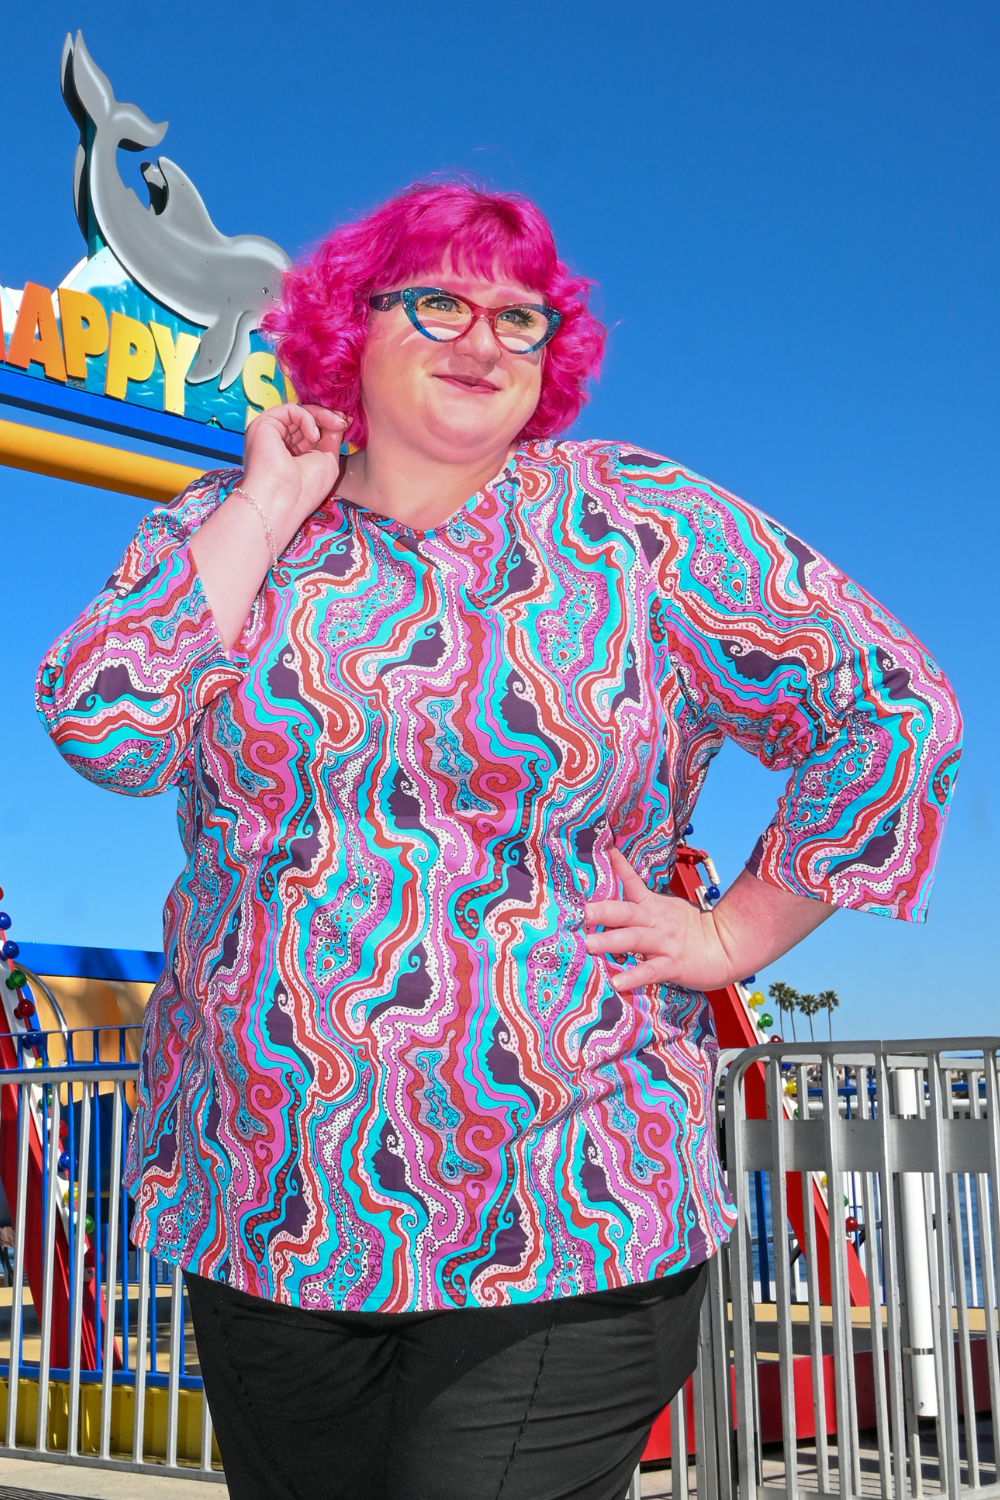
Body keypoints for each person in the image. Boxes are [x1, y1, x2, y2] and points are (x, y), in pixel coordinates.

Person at [36, 182, 961, 1500]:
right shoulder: (227, 529)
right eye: (438, 304)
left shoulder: (636, 524)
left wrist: (734, 932)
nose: (483, 340)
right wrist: (263, 503)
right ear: (348, 325)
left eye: (520, 320)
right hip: (260, 1211)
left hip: (566, 1205)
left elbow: (890, 707)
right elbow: (104, 727)